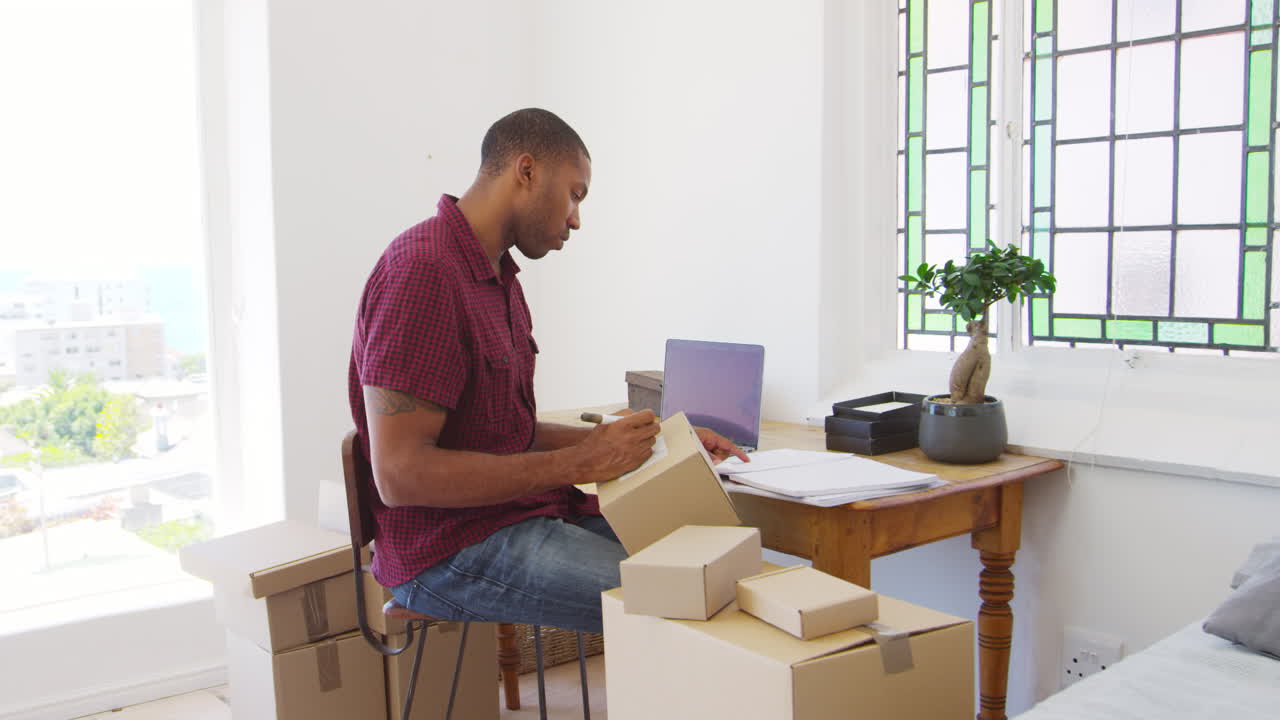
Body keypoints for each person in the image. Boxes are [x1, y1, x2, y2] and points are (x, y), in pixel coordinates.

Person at [348, 108, 747, 633]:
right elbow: (400, 475)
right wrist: (579, 461)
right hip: (447, 549)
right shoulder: (423, 272)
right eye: (575, 194)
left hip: (520, 512)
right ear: (527, 171)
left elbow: (504, 435)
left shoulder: (499, 277)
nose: (576, 219)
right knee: (688, 594)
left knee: (720, 567)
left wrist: (662, 444)